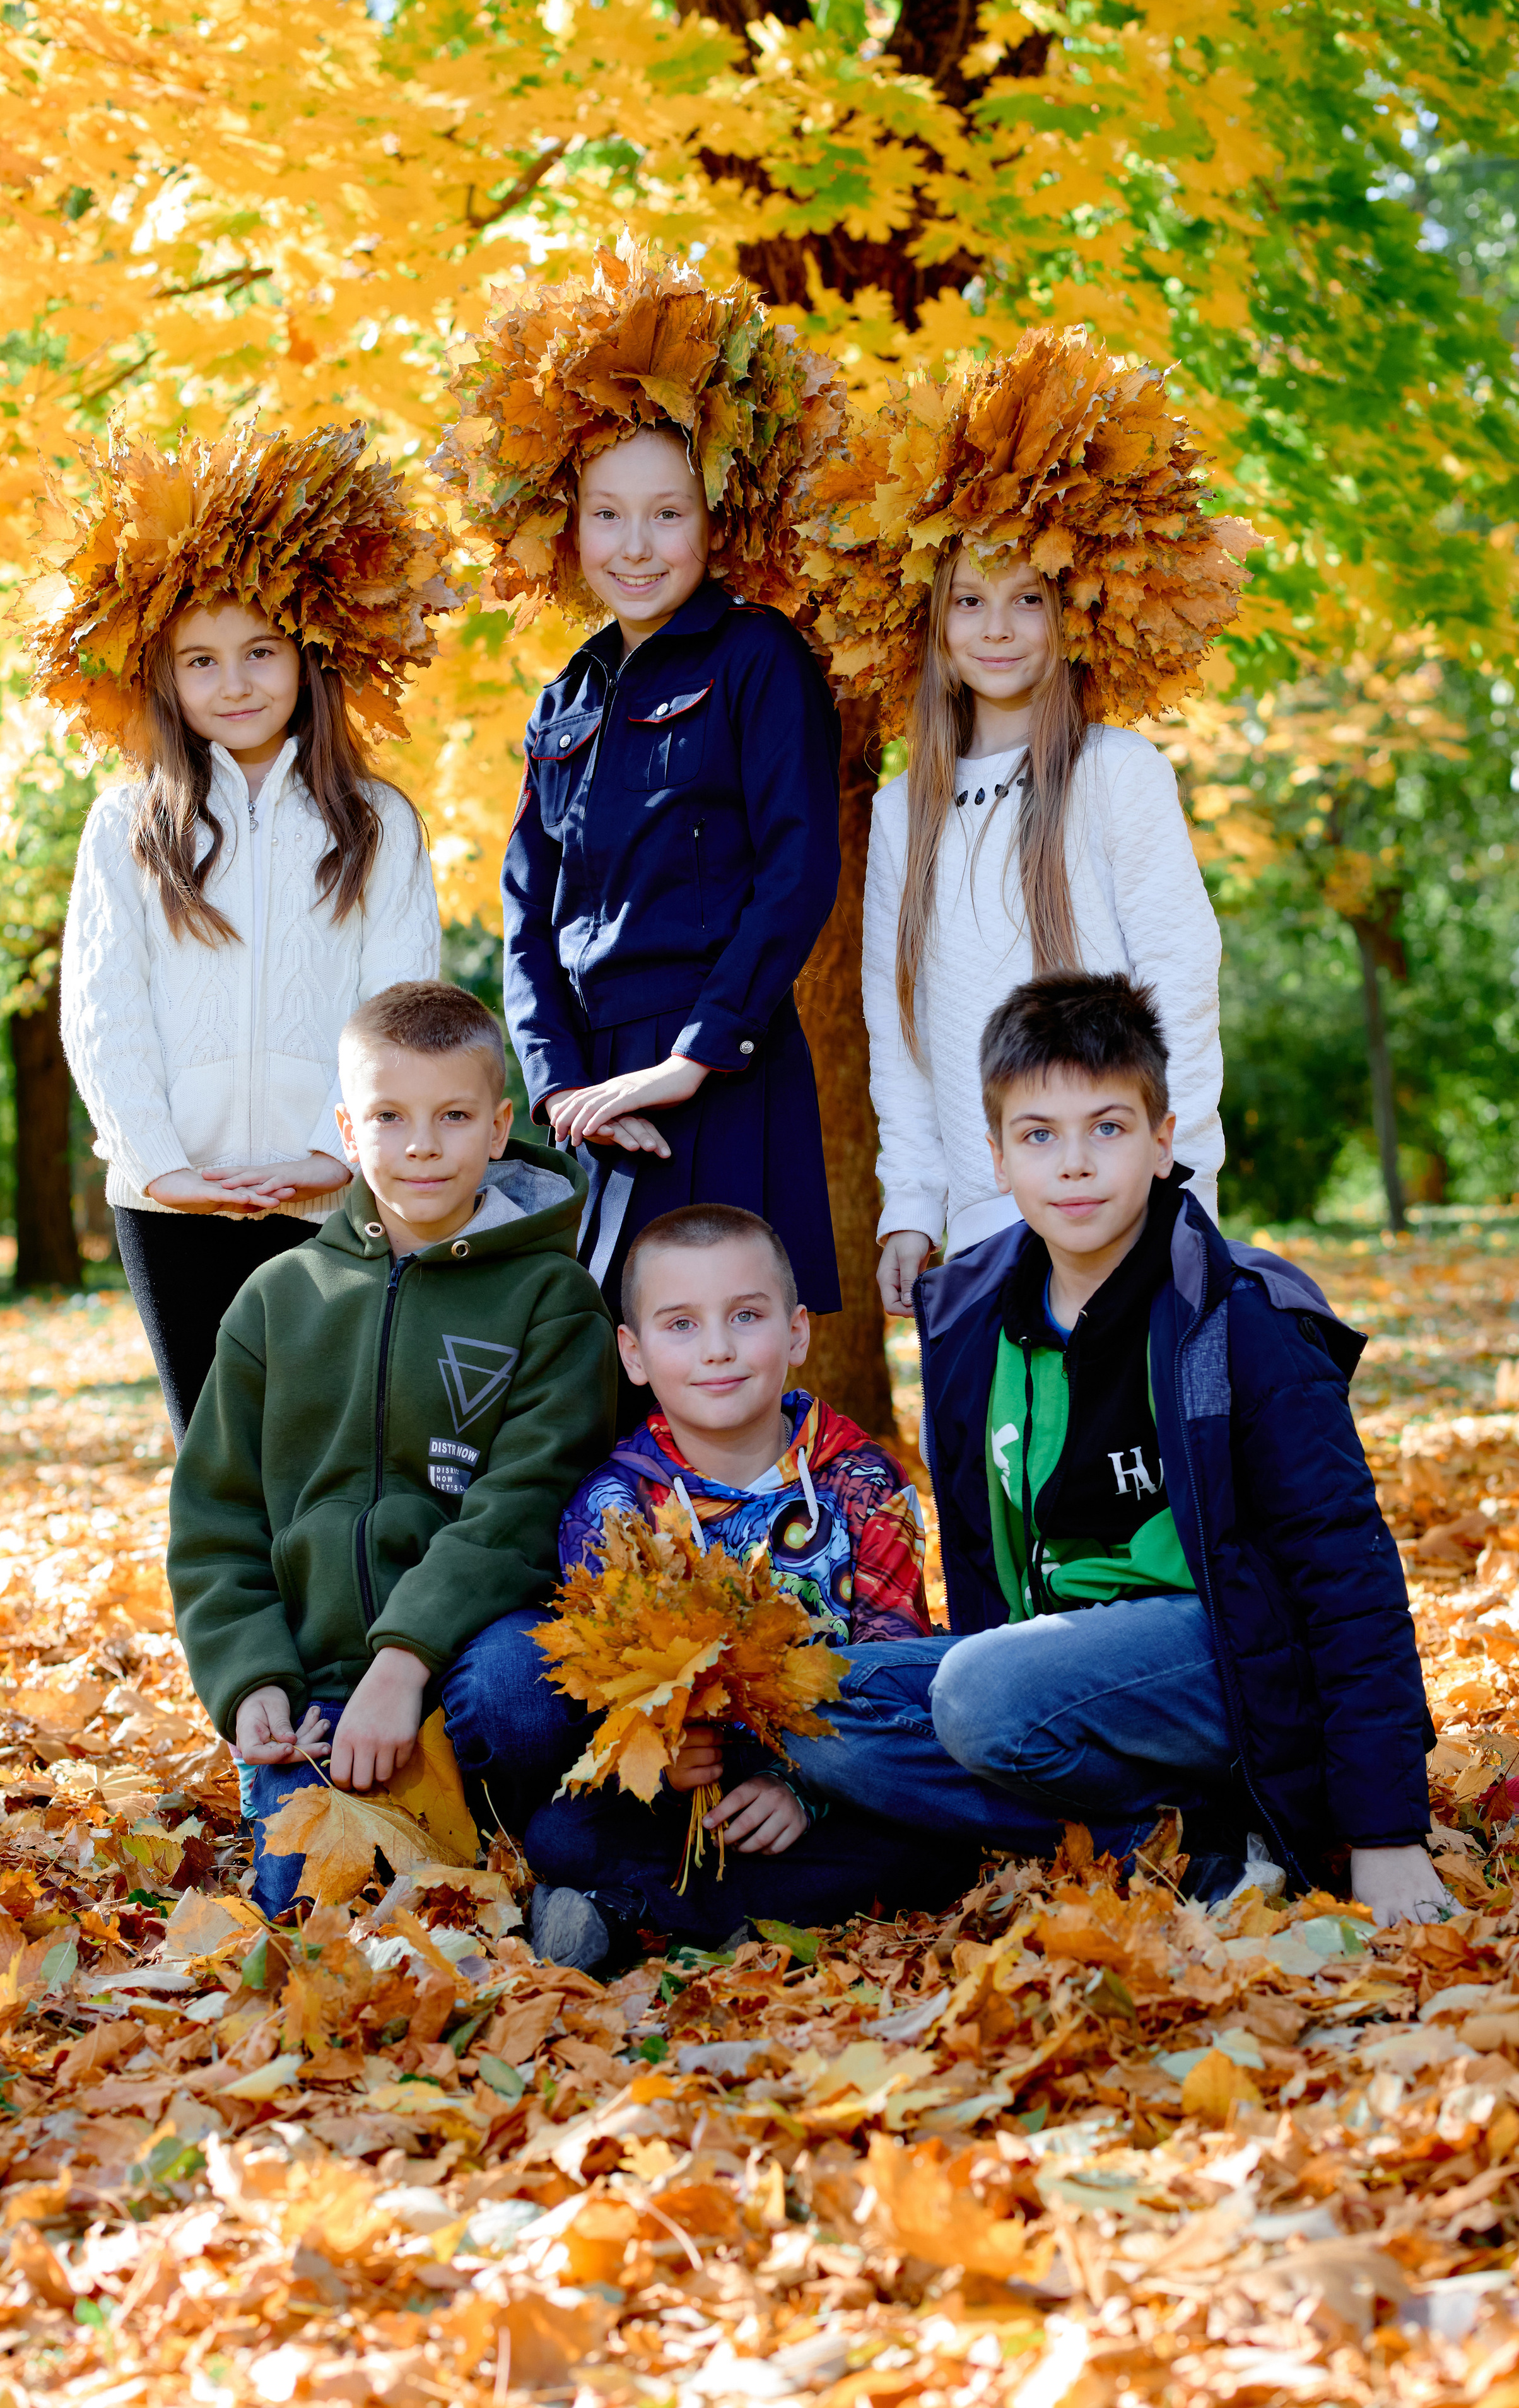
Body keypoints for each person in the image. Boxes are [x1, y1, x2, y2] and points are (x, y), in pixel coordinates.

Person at [779, 971, 1446, 1929]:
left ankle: (1226, 1813)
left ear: (1163, 1139)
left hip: (1223, 1656)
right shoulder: (973, 1319)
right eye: (1039, 1135)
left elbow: (1346, 1570)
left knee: (979, 1693)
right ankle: (1182, 1846)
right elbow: (980, 1552)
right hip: (1053, 1671)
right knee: (809, 1697)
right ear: (999, 1158)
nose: (1075, 1165)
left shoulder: (1237, 1317)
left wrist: (1386, 1836)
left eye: (1108, 1127)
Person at [432, 240, 847, 1415]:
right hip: (594, 1093)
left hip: (722, 1066)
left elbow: (796, 873)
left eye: (667, 513)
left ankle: (773, 1590)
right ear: (567, 529)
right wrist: (559, 1082)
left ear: (715, 521)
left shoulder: (760, 659)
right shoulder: (563, 696)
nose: (636, 544)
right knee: (608, 1382)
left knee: (731, 1376)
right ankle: (627, 1599)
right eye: (607, 515)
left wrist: (693, 1057)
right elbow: (523, 915)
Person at [799, 325, 1257, 1316]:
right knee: (1009, 1465)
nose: (997, 627)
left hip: (1133, 1212)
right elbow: (899, 1025)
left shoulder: (1117, 775)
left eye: (1027, 599)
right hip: (982, 1219)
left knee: (1143, 1464)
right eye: (968, 599)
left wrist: (1187, 1183)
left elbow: (1181, 984)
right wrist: (911, 1203)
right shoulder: (901, 813)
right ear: (931, 621)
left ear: (1072, 613)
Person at [165, 980, 617, 1917]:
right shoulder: (279, 1298)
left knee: (522, 1689)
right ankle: (431, 1869)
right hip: (319, 1693)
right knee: (311, 1914)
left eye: (452, 1116)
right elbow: (217, 1513)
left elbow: (525, 1506)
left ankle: (542, 1862)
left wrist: (403, 1665)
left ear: (498, 1129)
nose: (420, 1144)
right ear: (346, 1128)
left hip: (466, 1668)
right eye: (388, 1116)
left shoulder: (552, 1295)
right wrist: (249, 1675)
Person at [40, 421, 450, 1441]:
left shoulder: (376, 821)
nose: (235, 683)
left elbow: (399, 1009)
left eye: (261, 652)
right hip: (173, 1202)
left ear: (308, 658)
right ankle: (223, 1613)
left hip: (325, 1196)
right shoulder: (128, 826)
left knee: (323, 1445)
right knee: (215, 1453)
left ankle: (329, 1610)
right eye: (203, 661)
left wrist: (335, 1151)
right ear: (166, 679)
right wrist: (159, 1160)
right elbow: (103, 1010)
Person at [455, 1202, 971, 1973]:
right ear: (633, 1353)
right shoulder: (614, 1507)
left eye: (746, 1316)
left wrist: (803, 1789)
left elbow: (892, 1662)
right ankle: (724, 1906)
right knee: (563, 1834)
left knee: (938, 1845)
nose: (720, 1350)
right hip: (672, 1801)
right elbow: (606, 1686)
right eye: (682, 1325)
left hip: (833, 1778)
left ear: (797, 1332)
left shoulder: (863, 1482)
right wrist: (660, 1762)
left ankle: (628, 1913)